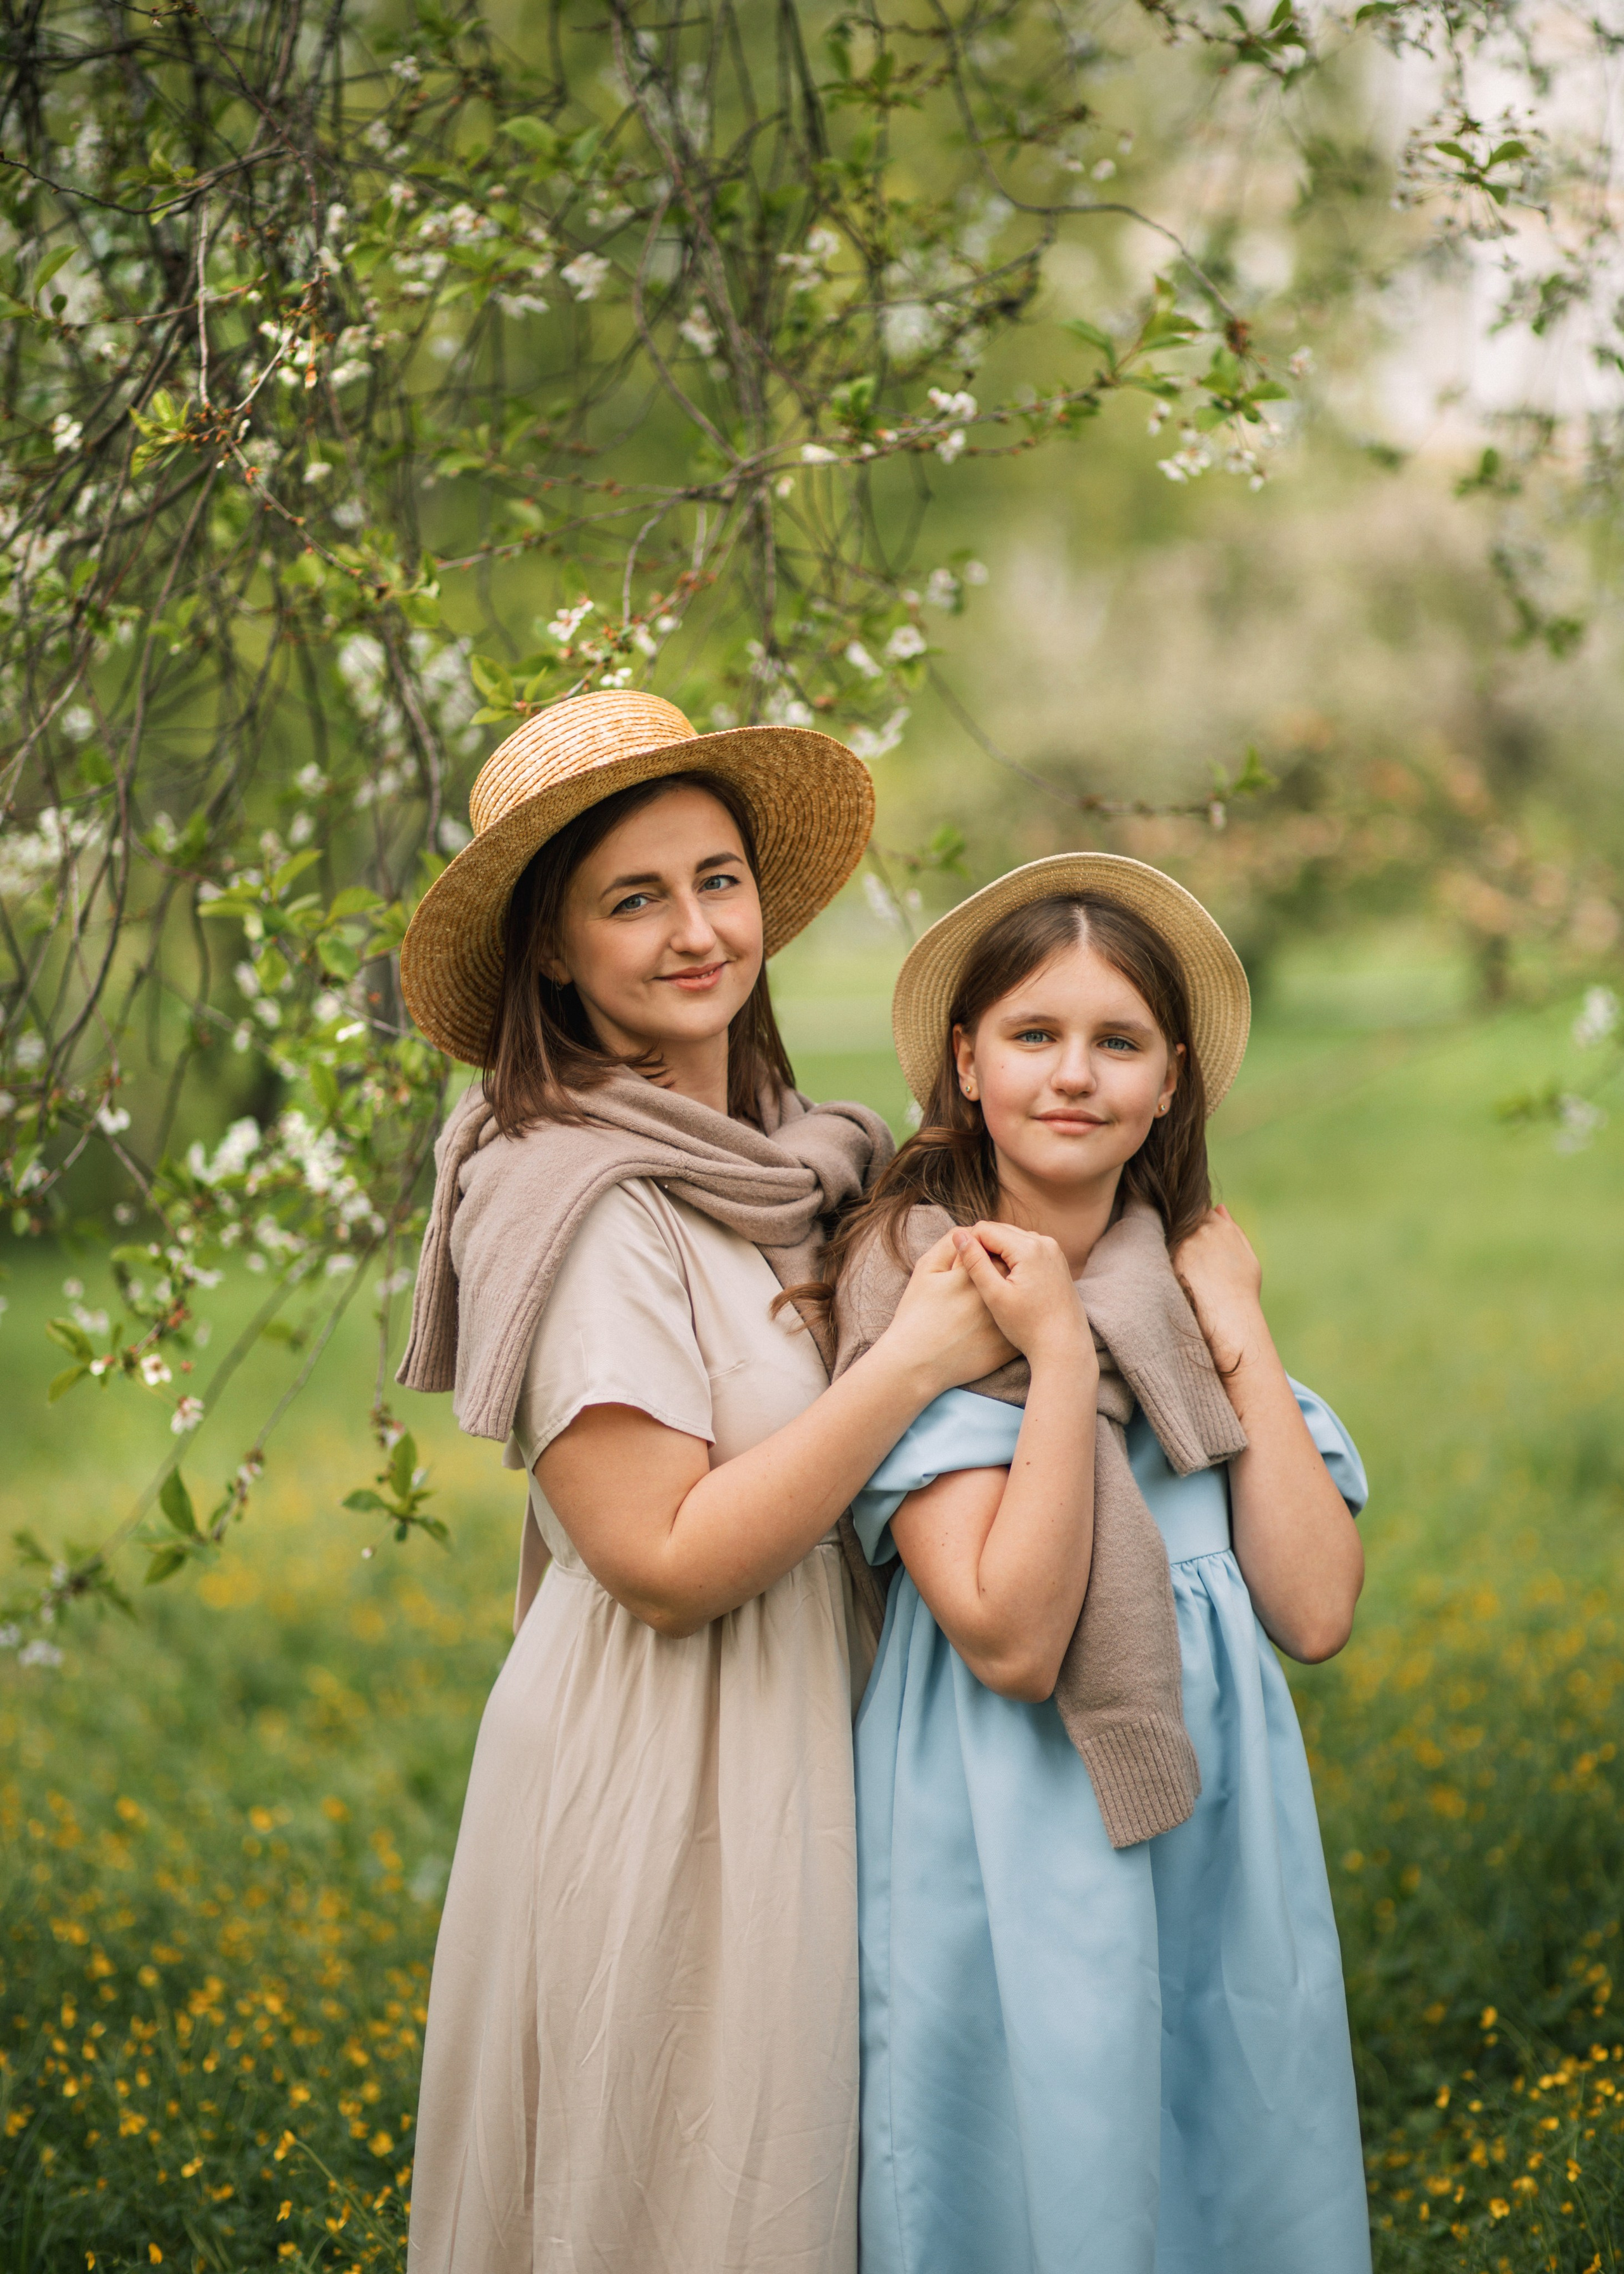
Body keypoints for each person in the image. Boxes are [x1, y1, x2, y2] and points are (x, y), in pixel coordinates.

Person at [391, 689, 1013, 2274]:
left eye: (717, 879)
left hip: (813, 1716)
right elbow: (657, 1559)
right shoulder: (576, 1200)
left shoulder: (795, 1161)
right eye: (633, 897)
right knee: (691, 2190)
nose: (695, 930)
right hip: (677, 1765)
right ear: (552, 948)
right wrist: (909, 1363)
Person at [826, 853, 1372, 2274]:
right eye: (1031, 1034)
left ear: (1169, 1081)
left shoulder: (1188, 1296)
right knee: (1029, 2169)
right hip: (1004, 1817)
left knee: (1228, 2152)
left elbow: (1311, 1607)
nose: (1072, 1075)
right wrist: (1060, 1345)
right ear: (965, 1062)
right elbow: (1008, 1633)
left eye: (1116, 1040)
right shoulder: (914, 1288)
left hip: (1216, 1827)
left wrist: (1235, 1322)